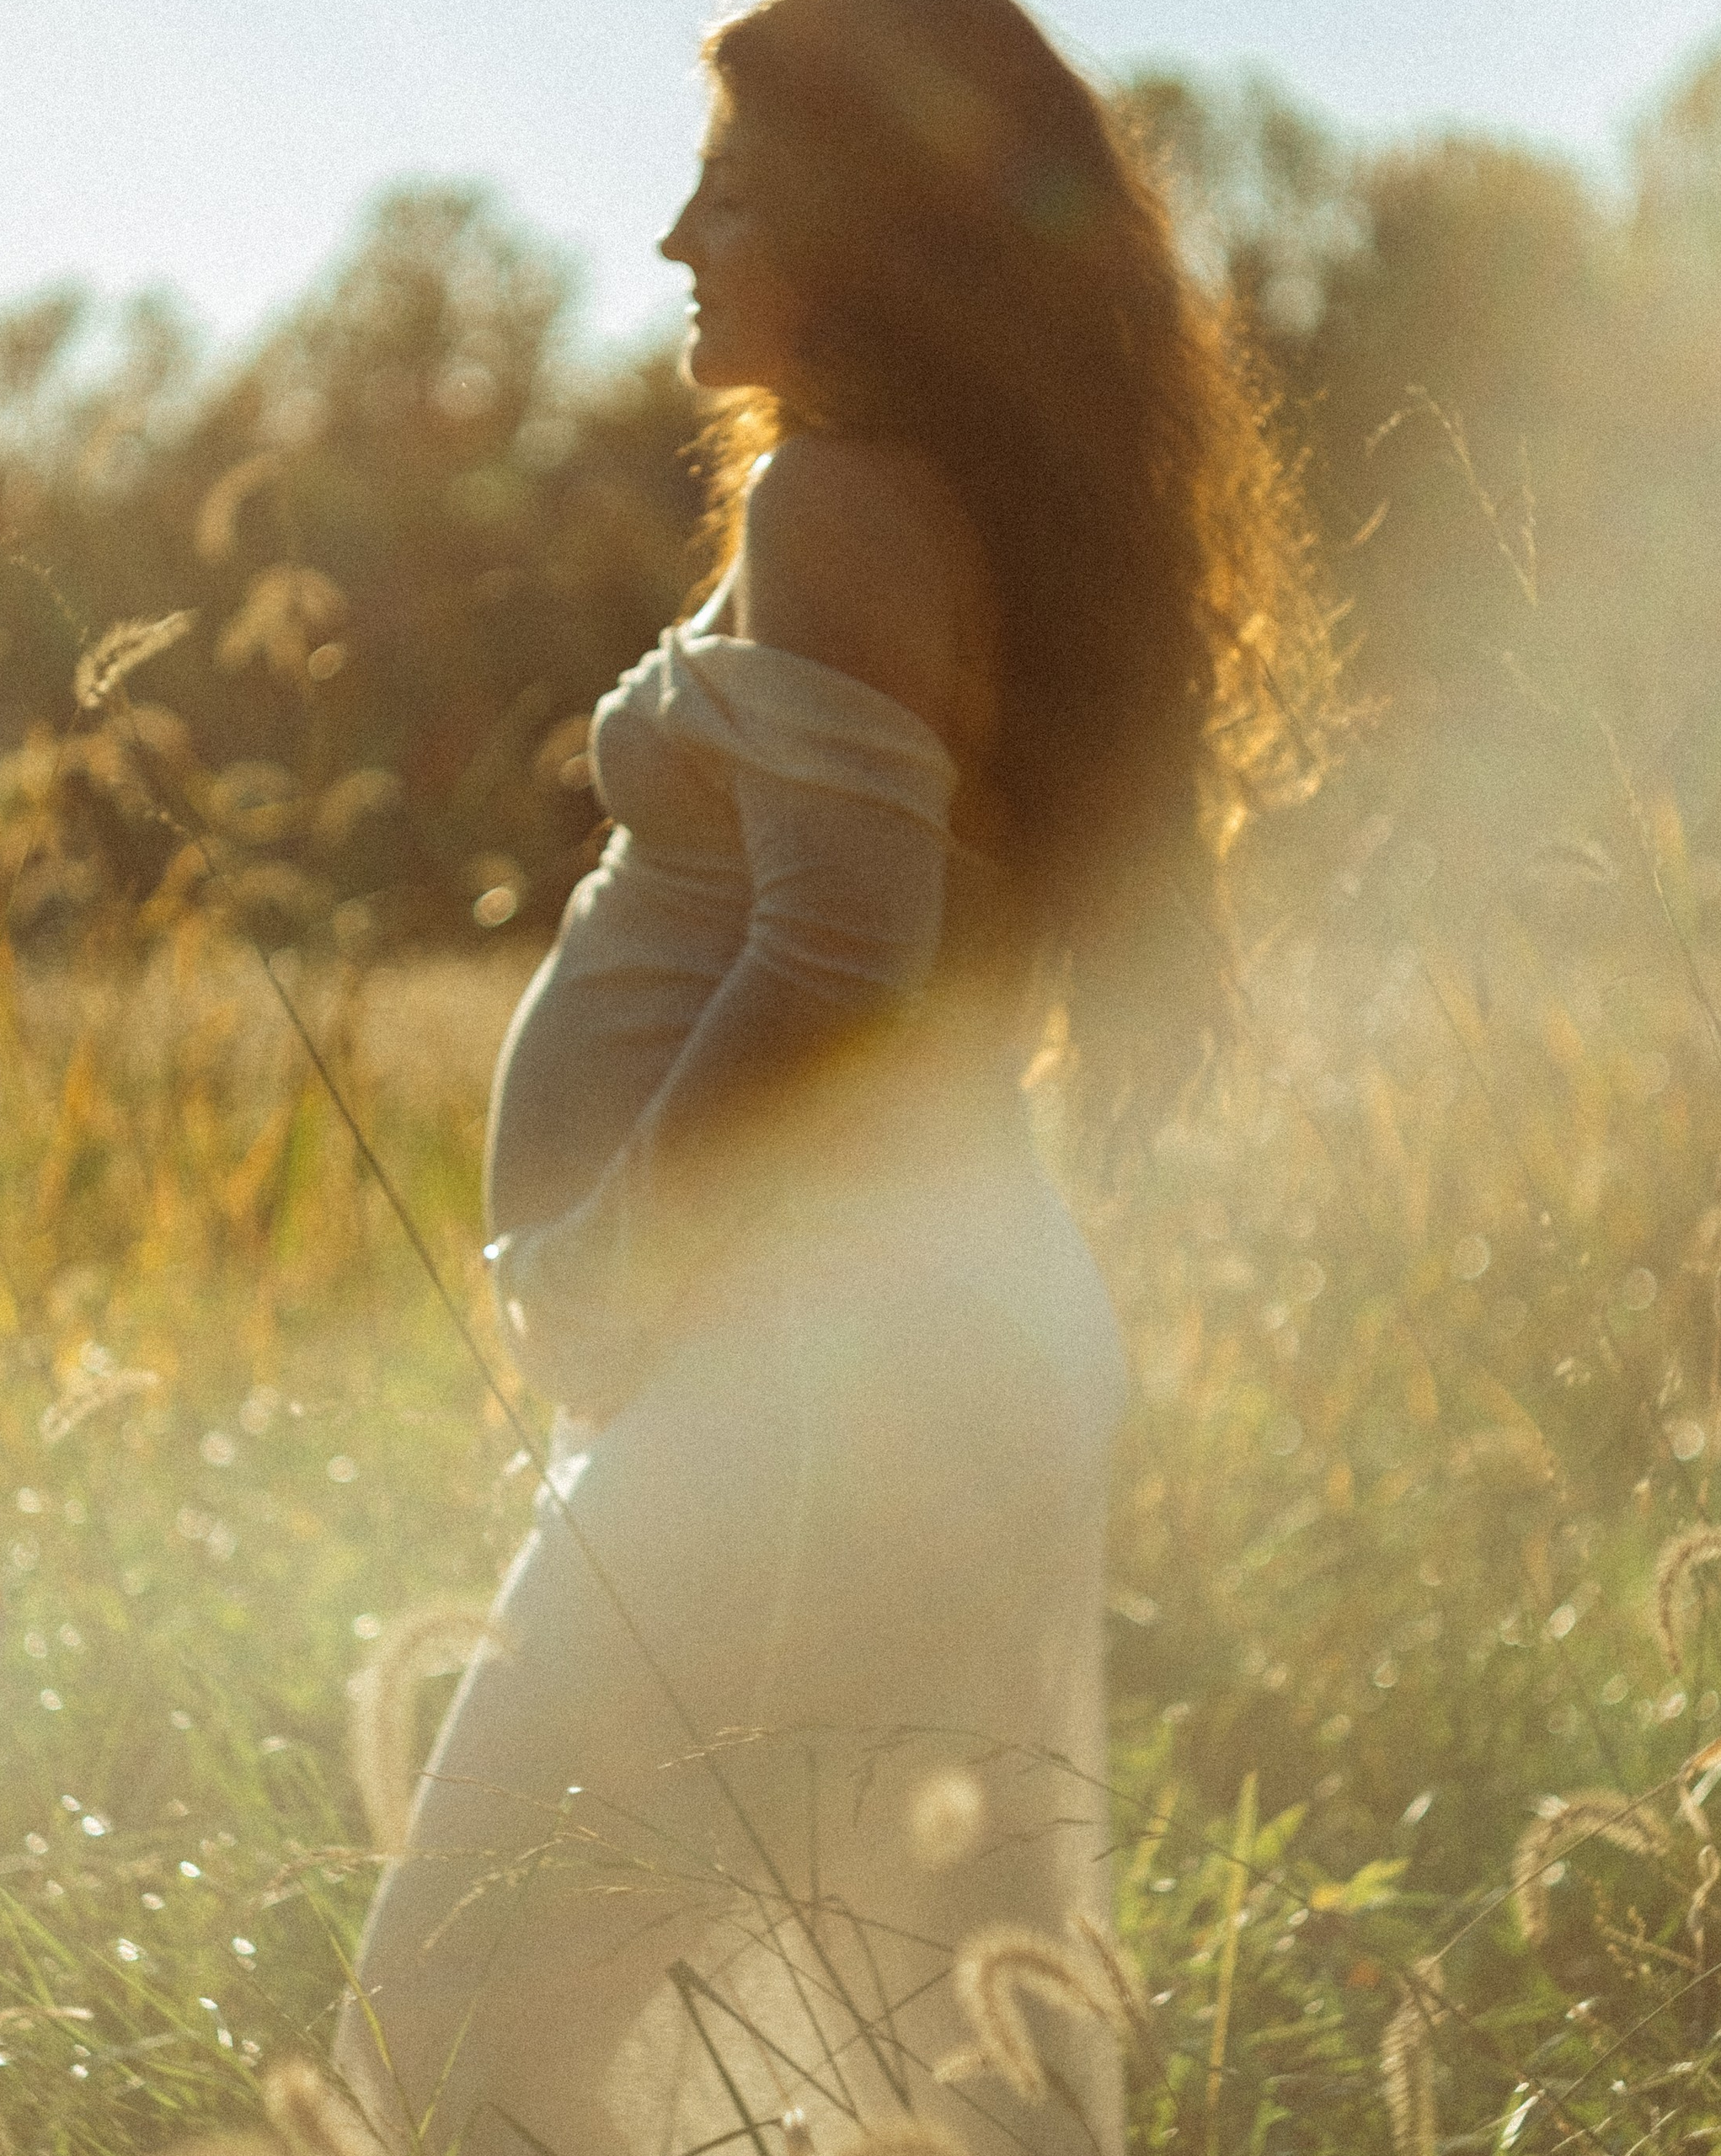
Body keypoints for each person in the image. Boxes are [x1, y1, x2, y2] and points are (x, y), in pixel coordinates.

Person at [334, 2, 1328, 2149]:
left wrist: (615, 1257)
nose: (678, 231)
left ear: (879, 234)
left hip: (823, 1354)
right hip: (902, 1328)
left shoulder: (846, 506)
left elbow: (835, 956)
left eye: (739, 187)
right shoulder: (933, 509)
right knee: (911, 2055)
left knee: (459, 2020)